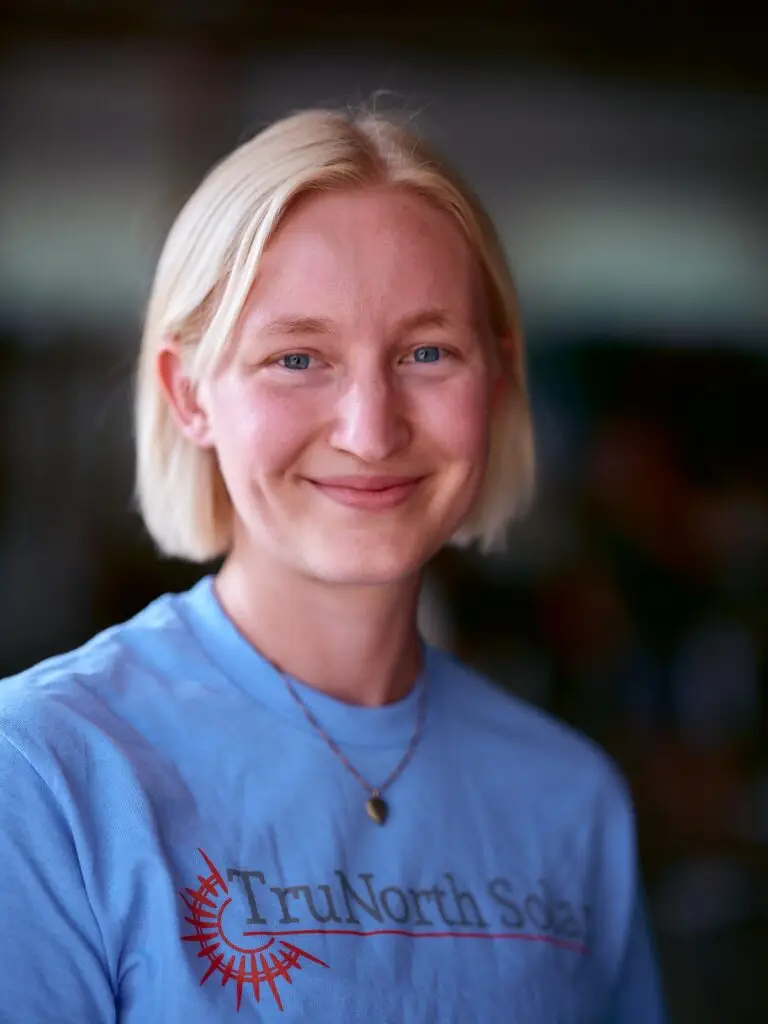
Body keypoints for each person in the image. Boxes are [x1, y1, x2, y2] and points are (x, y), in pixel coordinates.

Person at [0, 107, 667, 1022]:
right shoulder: (45, 771)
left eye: (428, 352)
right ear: (188, 395)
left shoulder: (572, 798)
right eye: (298, 357)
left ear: (498, 376)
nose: (370, 430)